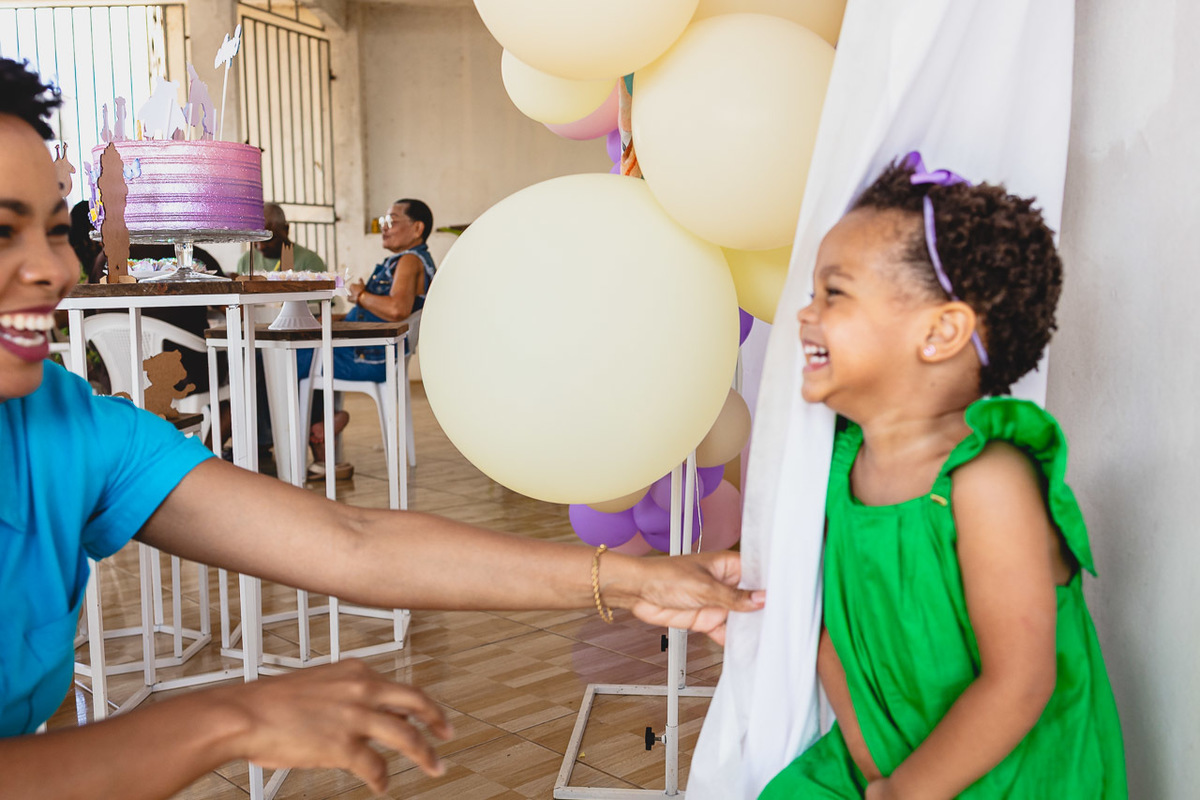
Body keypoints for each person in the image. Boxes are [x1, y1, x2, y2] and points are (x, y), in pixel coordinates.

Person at [0, 58, 765, 799]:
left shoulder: (63, 423)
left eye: (57, 230)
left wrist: (635, 577)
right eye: (6, 232)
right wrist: (229, 718)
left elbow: (349, 540)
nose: (52, 269)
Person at [759, 153, 1126, 798]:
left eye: (833, 293)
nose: (804, 314)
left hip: (1012, 775)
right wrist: (880, 774)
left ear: (941, 332)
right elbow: (831, 635)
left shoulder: (988, 480)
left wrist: (907, 792)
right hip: (888, 760)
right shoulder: (836, 465)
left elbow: (1019, 682)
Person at [296, 198, 435, 474]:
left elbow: (397, 309)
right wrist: (332, 320)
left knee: (288, 356)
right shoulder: (402, 260)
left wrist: (360, 295)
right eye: (383, 222)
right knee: (297, 352)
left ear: (417, 228)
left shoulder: (409, 261)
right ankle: (323, 426)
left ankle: (291, 443)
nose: (384, 228)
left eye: (391, 222)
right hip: (368, 351)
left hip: (370, 357)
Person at [236, 203, 327, 274]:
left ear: (286, 230)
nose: (261, 246)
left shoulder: (309, 262)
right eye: (255, 239)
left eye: (268, 239)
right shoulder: (246, 261)